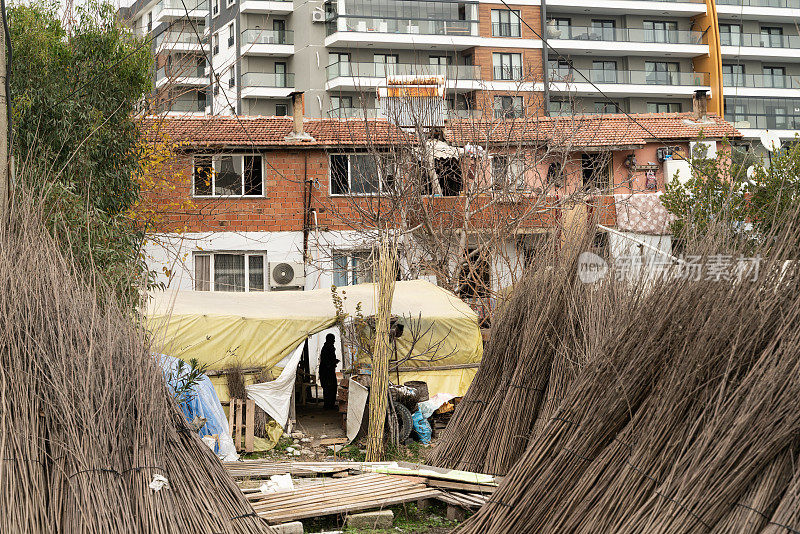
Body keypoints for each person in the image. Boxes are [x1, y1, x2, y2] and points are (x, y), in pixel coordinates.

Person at [318, 334, 340, 410]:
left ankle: (329, 405)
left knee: (329, 388)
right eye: (333, 339)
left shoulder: (328, 347)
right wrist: (334, 362)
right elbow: (327, 362)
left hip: (327, 371)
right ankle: (328, 405)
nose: (334, 341)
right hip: (327, 372)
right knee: (329, 388)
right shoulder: (328, 348)